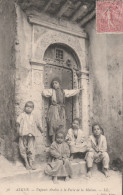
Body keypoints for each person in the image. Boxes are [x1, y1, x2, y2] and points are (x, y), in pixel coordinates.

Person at [42, 78, 82, 142]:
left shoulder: (63, 91)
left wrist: (78, 90)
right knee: (53, 125)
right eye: (53, 83)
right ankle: (53, 142)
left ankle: (60, 142)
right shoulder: (51, 91)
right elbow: (44, 92)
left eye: (56, 83)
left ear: (59, 84)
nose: (54, 85)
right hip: (54, 110)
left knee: (61, 125)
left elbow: (70, 92)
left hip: (61, 111)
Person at [16, 101, 43, 170]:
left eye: (30, 107)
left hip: (31, 135)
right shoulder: (22, 115)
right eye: (27, 107)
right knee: (22, 148)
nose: (28, 108)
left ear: (33, 109)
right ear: (24, 108)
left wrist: (41, 130)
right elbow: (18, 123)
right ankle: (26, 162)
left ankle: (31, 163)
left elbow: (38, 124)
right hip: (23, 135)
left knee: (31, 149)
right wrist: (18, 131)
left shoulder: (34, 116)